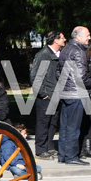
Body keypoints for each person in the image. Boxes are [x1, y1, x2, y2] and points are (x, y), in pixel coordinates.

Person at [56, 26, 91, 165]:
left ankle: (63, 155)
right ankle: (71, 156)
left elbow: (58, 72)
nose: (89, 37)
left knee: (65, 126)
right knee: (73, 127)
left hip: (66, 92)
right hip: (76, 93)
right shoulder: (78, 51)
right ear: (78, 37)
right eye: (87, 35)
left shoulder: (65, 50)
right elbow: (82, 75)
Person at [30, 30, 66, 159]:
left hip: (56, 94)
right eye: (62, 37)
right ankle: (40, 150)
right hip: (47, 95)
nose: (64, 39)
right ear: (55, 40)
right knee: (43, 122)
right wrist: (43, 93)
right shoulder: (43, 55)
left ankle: (49, 147)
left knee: (52, 122)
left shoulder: (58, 54)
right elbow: (35, 76)